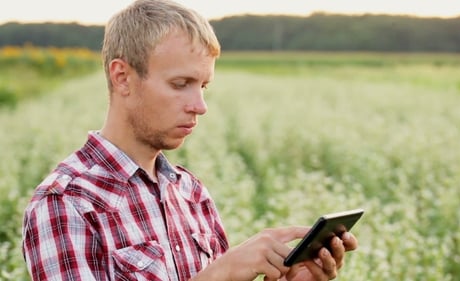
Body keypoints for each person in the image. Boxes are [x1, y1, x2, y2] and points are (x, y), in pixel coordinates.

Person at [21, 0, 358, 280]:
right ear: (122, 77)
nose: (200, 106)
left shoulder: (191, 193)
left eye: (203, 86)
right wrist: (221, 272)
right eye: (181, 84)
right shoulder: (67, 203)